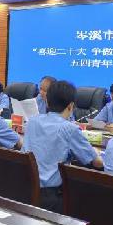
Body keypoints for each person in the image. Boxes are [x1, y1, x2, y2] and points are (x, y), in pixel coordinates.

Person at [23, 80, 103, 213]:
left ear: (47, 102)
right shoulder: (69, 129)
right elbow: (97, 163)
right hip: (50, 198)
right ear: (71, 106)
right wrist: (97, 153)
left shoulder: (32, 121)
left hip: (25, 189)